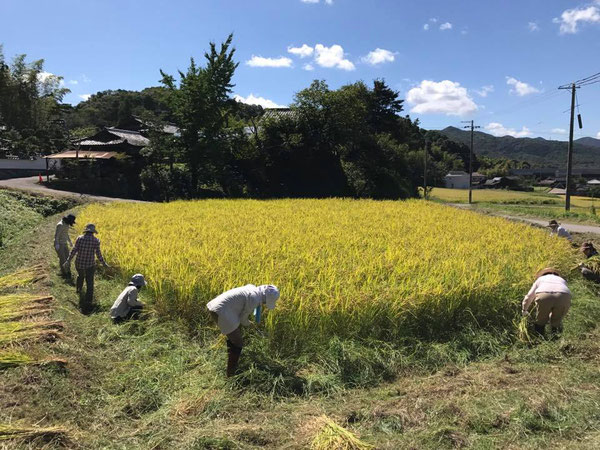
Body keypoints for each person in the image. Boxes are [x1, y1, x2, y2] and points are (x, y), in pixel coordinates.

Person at [207, 284, 280, 377]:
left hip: (215, 305)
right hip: (221, 311)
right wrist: (250, 325)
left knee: (234, 337)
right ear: (266, 298)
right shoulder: (254, 298)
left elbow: (249, 309)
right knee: (238, 342)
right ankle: (231, 374)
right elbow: (242, 319)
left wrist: (251, 321)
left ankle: (232, 365)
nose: (265, 303)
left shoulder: (252, 289)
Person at [63, 223, 109, 313]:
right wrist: (104, 263)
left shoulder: (79, 238)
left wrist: (68, 260)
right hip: (90, 265)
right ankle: (88, 301)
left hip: (79, 263)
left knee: (80, 276)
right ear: (93, 232)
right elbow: (98, 254)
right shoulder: (96, 241)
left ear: (86, 231)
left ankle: (78, 290)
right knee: (90, 282)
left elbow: (74, 250)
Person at [522, 268, 571, 338]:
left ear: (542, 274)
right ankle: (556, 339)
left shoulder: (540, 279)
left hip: (544, 294)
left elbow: (529, 297)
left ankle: (540, 338)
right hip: (564, 295)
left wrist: (524, 310)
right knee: (557, 320)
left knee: (541, 321)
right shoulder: (562, 280)